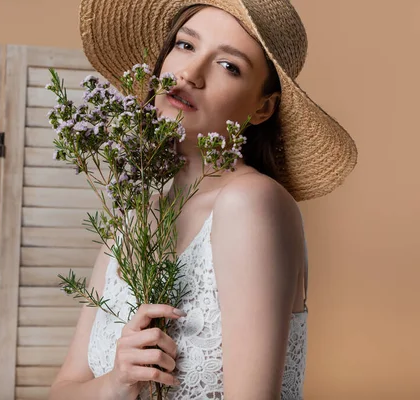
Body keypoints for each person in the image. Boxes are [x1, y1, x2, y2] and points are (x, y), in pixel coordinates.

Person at [49, 0, 357, 399]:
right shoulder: (134, 214)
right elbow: (62, 391)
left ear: (263, 108)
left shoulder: (252, 203)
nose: (190, 74)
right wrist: (117, 381)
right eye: (185, 45)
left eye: (229, 66)